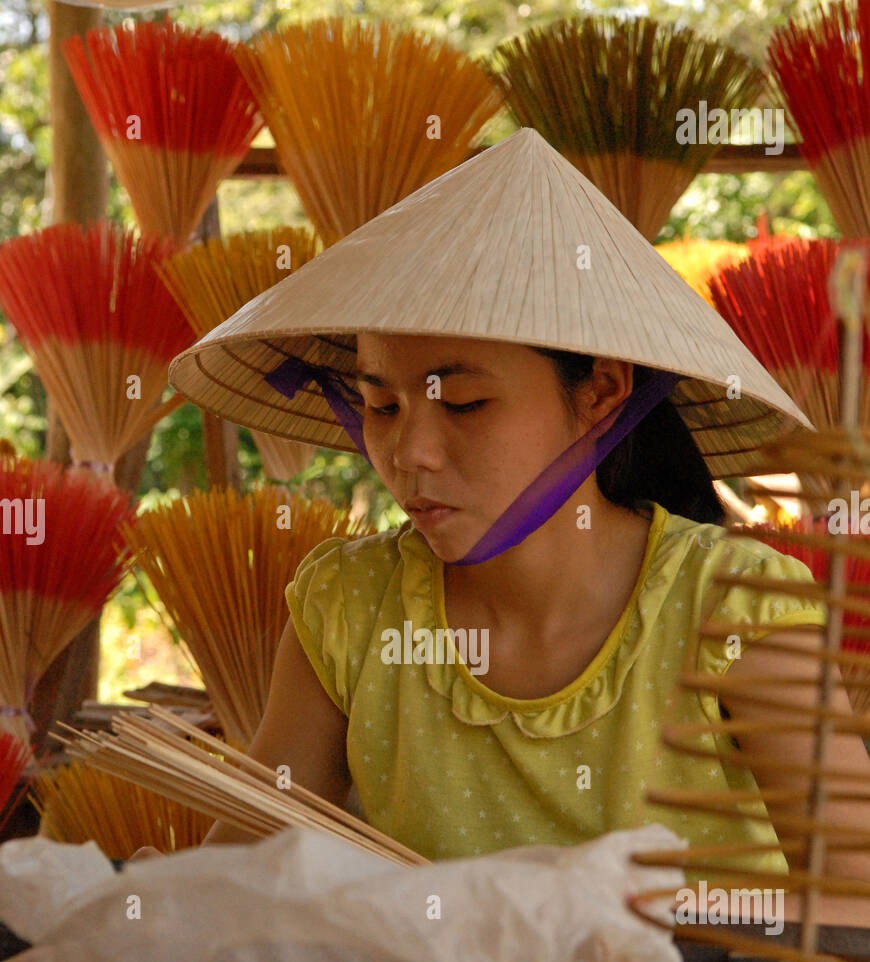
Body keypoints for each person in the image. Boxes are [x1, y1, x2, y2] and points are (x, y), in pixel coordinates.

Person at [146, 128, 870, 900]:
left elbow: (854, 902)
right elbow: (244, 858)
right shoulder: (348, 612)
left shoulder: (732, 607)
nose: (409, 452)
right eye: (380, 404)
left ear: (600, 393)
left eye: (464, 402)